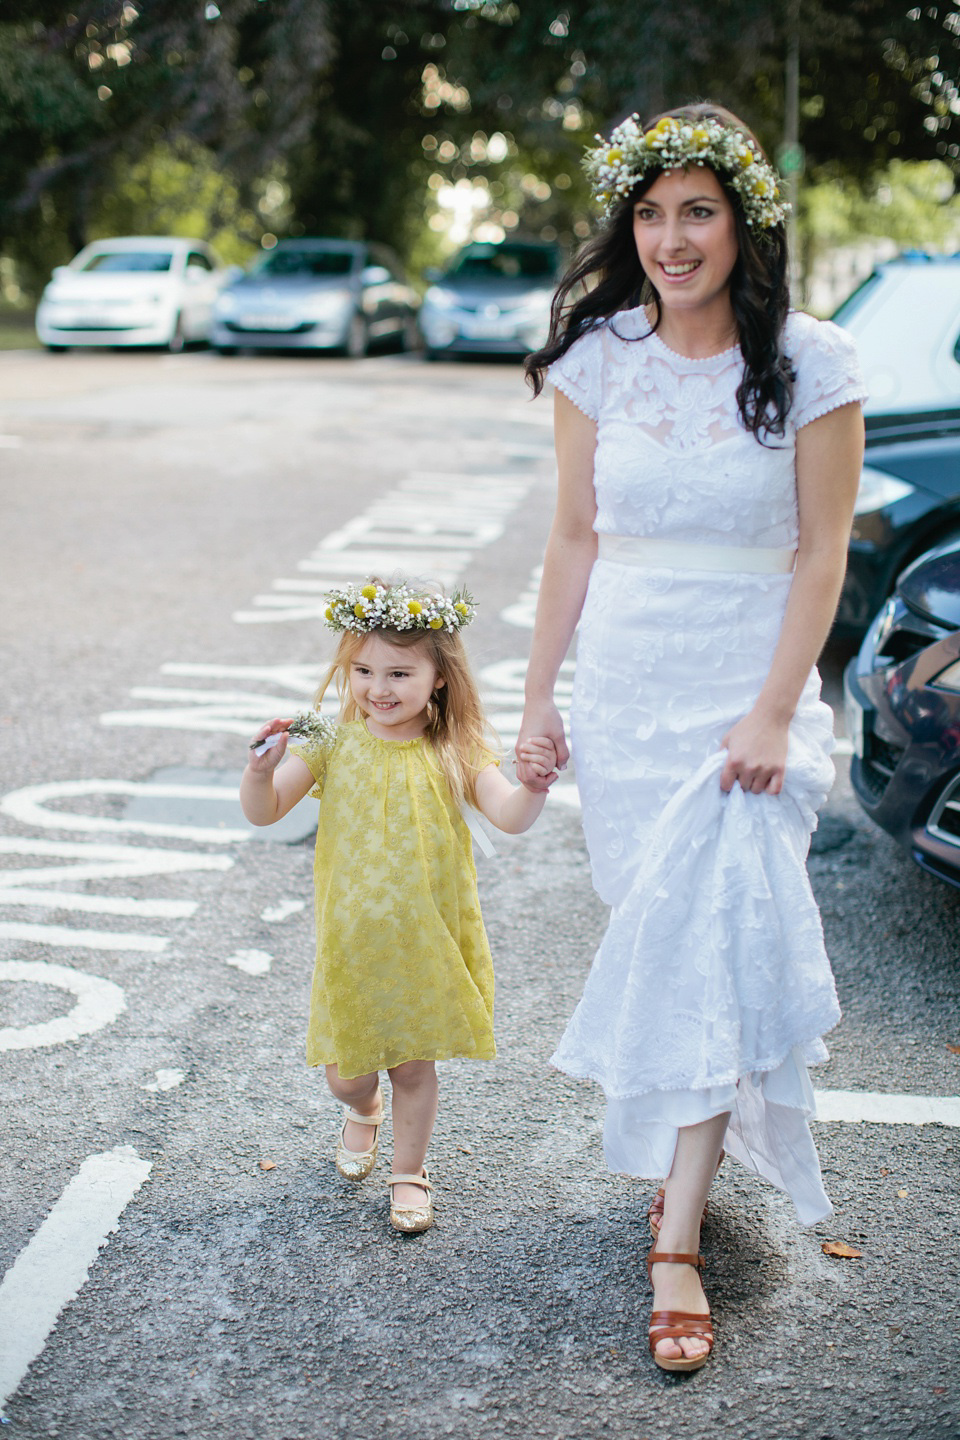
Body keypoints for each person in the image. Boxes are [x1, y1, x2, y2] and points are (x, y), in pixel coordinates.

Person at [517, 102, 866, 1371]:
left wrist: (777, 705)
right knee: (662, 937)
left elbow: (824, 549)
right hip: (627, 684)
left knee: (718, 939)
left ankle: (675, 1244)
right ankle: (687, 1163)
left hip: (744, 686)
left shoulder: (813, 361)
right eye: (651, 213)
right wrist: (540, 695)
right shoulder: (598, 358)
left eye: (698, 212)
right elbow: (571, 539)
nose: (672, 238)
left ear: (744, 224)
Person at [241, 578, 557, 1235]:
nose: (378, 688)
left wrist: (532, 784)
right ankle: (363, 1112)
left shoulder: (455, 749)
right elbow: (267, 812)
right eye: (362, 670)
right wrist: (260, 772)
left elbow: (509, 814)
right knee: (347, 1077)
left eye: (399, 672)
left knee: (414, 1066)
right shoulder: (331, 742)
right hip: (353, 946)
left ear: (440, 676)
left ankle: (409, 1175)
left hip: (423, 941)